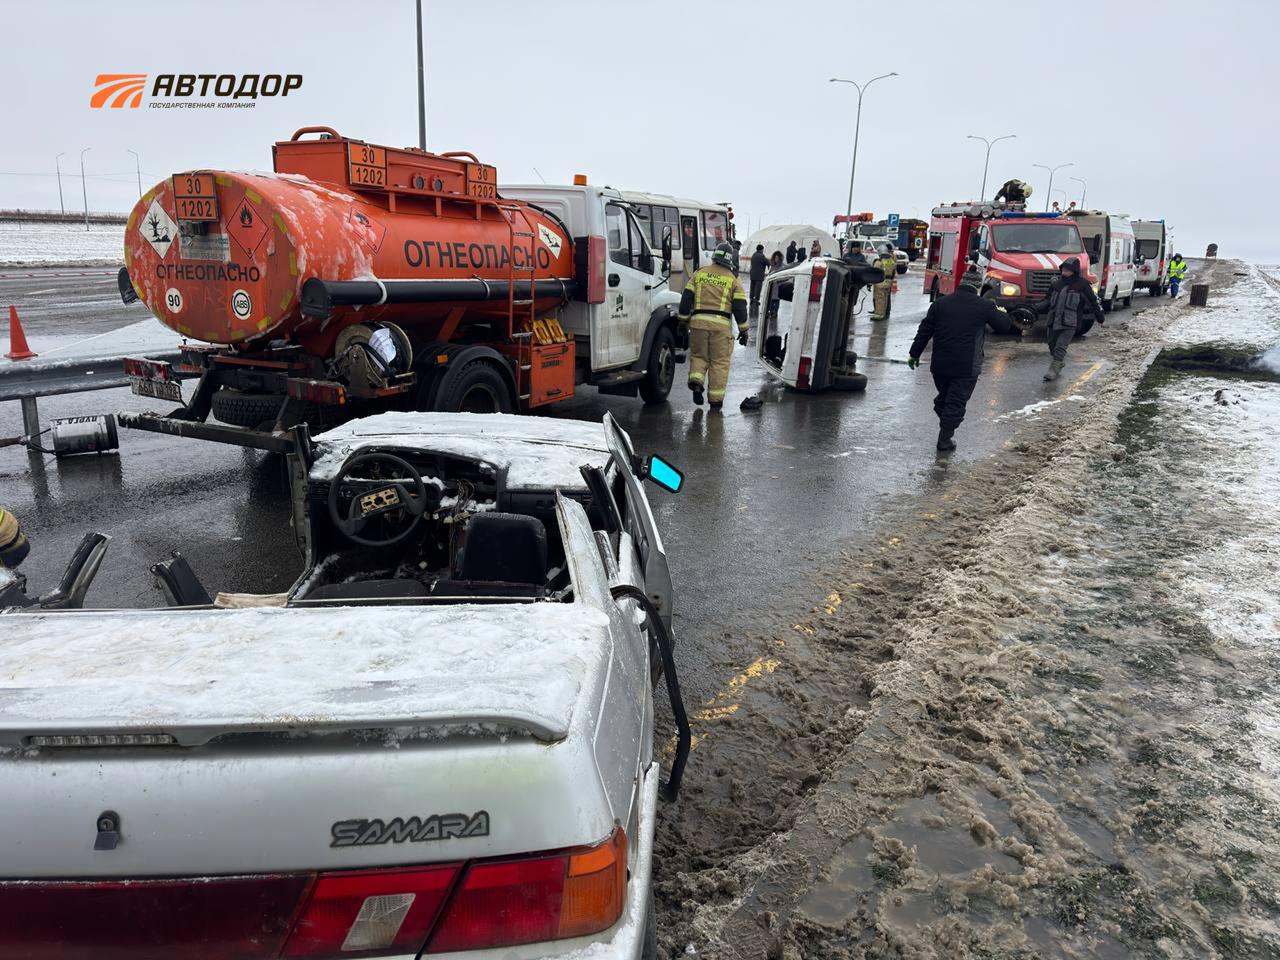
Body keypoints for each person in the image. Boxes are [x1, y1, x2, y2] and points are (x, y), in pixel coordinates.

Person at [907, 266, 1017, 451]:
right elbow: (1004, 326)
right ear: (977, 285)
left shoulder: (941, 304)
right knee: (956, 402)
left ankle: (946, 420)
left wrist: (914, 353)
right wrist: (1002, 312)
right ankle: (945, 439)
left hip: (940, 365)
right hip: (967, 366)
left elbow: (924, 330)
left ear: (961, 282)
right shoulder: (984, 305)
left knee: (946, 398)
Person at [679, 241, 750, 410]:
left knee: (699, 356)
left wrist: (682, 321)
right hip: (720, 329)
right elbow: (740, 307)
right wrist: (744, 330)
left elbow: (686, 298)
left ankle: (696, 381)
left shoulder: (699, 274)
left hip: (698, 325)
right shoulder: (733, 280)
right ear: (730, 260)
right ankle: (715, 402)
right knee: (719, 363)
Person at [1031, 256, 1105, 381]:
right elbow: (1047, 300)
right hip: (1053, 321)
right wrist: (1033, 308)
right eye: (1063, 269)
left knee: (1061, 346)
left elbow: (1093, 302)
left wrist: (1100, 317)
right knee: (1052, 345)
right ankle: (1058, 362)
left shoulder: (1082, 285)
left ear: (1074, 271)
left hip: (1070, 322)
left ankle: (1053, 370)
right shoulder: (1056, 284)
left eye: (1067, 270)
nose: (1064, 272)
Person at [870, 243, 897, 321]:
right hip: (888, 283)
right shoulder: (891, 261)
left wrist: (871, 282)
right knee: (885, 299)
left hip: (880, 283)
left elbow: (874, 271)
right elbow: (893, 272)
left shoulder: (879, 261)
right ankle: (883, 313)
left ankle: (879, 314)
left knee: (879, 299)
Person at [748, 244, 768, 318]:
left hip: (752, 274)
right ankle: (756, 300)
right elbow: (766, 262)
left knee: (752, 287)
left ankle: (751, 299)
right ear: (761, 249)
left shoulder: (753, 255)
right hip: (759, 275)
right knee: (758, 288)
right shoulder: (761, 256)